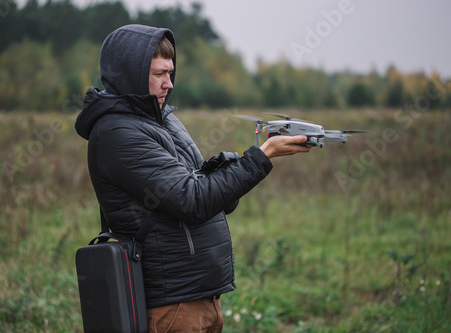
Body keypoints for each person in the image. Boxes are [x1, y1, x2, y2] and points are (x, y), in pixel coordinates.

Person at [75, 24, 311, 333]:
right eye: (159, 73)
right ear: (129, 73)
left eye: (170, 72)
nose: (168, 84)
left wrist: (239, 165)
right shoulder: (117, 134)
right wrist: (261, 157)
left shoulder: (163, 120)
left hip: (202, 297)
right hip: (173, 305)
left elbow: (209, 194)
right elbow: (193, 201)